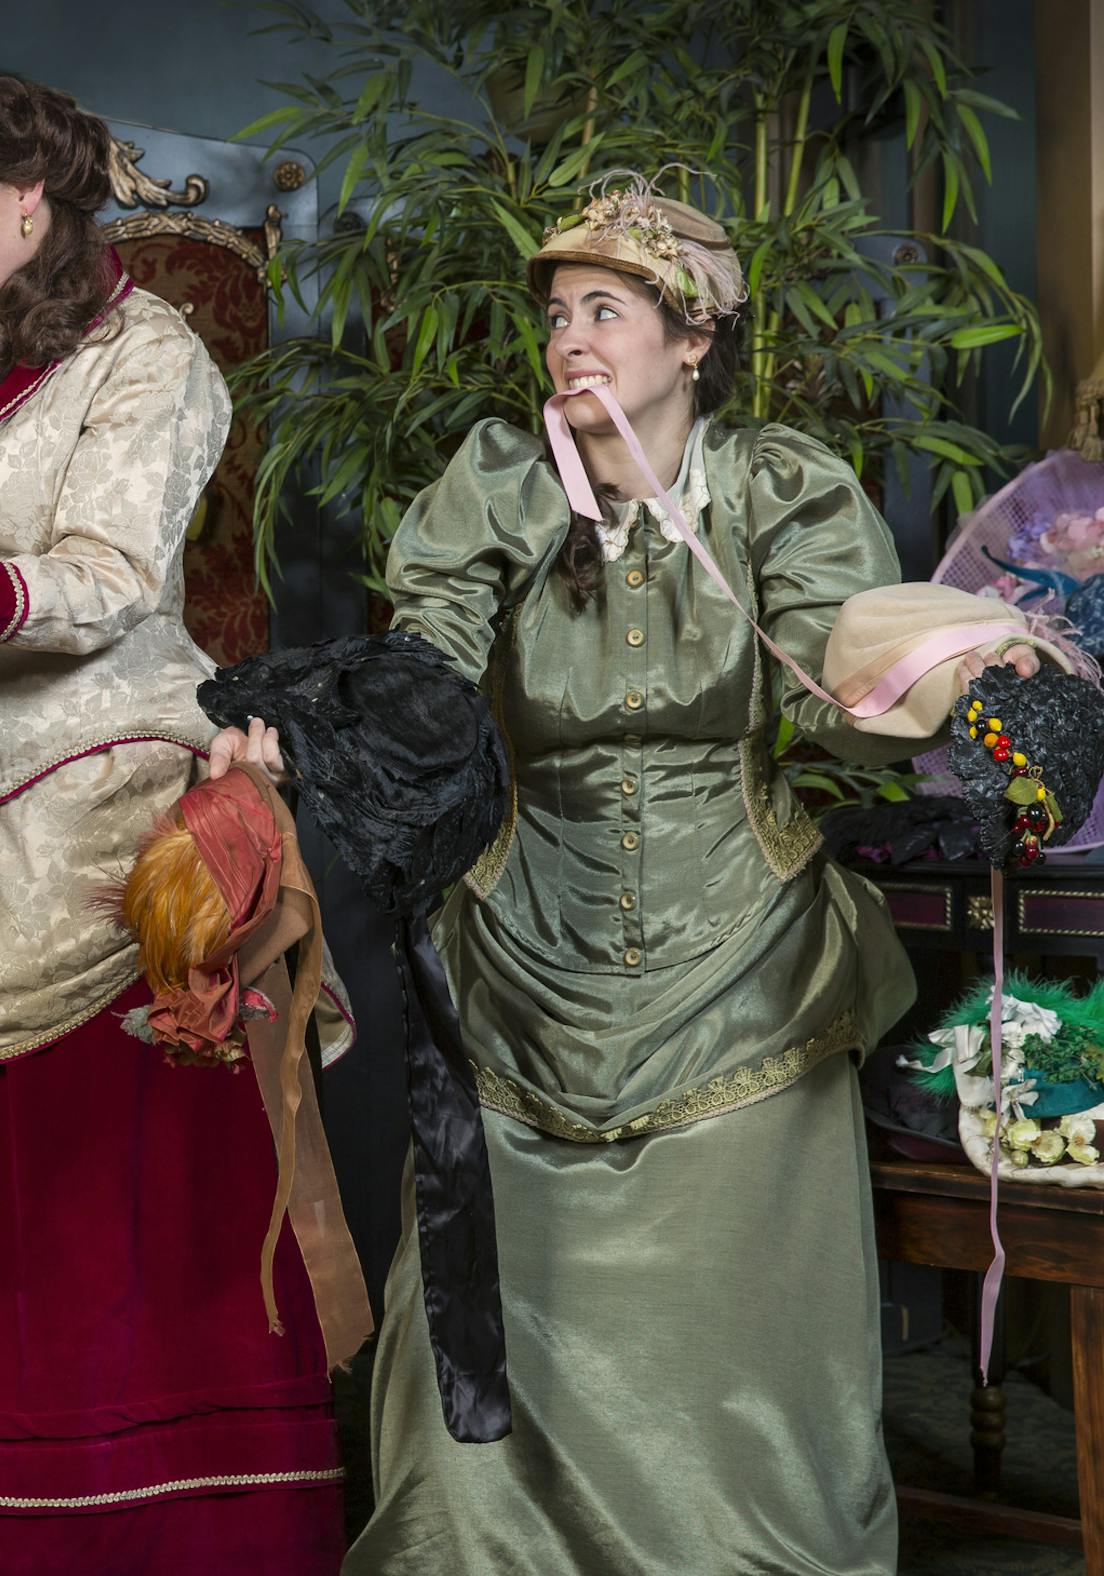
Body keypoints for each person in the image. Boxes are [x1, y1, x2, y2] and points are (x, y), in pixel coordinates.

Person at [215, 174, 1034, 1575]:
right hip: (527, 959)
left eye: (608, 310)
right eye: (555, 316)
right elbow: (431, 673)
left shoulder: (777, 487)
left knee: (733, 1319)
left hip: (749, 969)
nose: (572, 340)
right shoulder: (498, 484)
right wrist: (305, 732)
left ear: (693, 337)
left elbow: (846, 680)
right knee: (502, 1297)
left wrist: (976, 681)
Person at [0, 67, 358, 1575]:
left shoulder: (152, 356)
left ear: (29, 195)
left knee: (115, 1215)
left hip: (121, 828)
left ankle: (182, 1539)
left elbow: (113, 579)